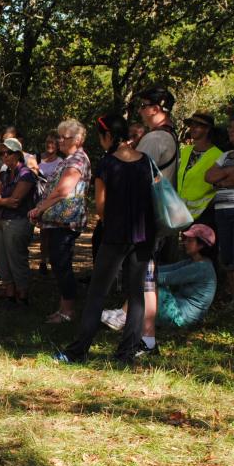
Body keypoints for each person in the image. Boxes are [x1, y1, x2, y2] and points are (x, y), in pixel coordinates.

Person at [56, 115, 156, 364]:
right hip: (144, 235)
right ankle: (126, 353)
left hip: (114, 235)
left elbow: (101, 208)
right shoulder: (146, 161)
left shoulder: (107, 164)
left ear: (108, 136)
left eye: (101, 137)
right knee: (136, 295)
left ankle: (78, 351)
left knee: (97, 293)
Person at [29, 119, 91, 323]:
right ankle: (64, 309)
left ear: (78, 139)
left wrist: (40, 208)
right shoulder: (70, 159)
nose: (60, 141)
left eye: (64, 137)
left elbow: (63, 191)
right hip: (58, 222)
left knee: (62, 264)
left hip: (65, 222)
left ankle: (68, 311)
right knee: (58, 263)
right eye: (60, 136)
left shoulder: (77, 161)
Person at [132, 84, 179, 353]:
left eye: (142, 105)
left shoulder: (154, 139)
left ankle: (145, 337)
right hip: (158, 217)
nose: (139, 111)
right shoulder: (170, 137)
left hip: (145, 217)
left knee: (144, 278)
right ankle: (145, 336)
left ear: (156, 108)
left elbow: (136, 175)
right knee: (148, 276)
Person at [0, 138, 36, 303]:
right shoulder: (4, 173)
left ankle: (22, 293)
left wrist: (0, 200)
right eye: (1, 154)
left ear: (17, 154)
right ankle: (9, 291)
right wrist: (3, 201)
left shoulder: (26, 174)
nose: (4, 156)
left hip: (17, 221)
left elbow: (16, 201)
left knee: (16, 257)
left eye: (7, 152)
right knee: (2, 258)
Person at [156, 224, 217, 328]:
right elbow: (167, 269)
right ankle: (128, 315)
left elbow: (164, 278)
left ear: (201, 245)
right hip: (180, 309)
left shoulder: (201, 267)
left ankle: (125, 317)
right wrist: (145, 270)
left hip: (182, 318)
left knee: (150, 286)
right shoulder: (194, 262)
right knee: (148, 283)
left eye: (190, 241)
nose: (185, 243)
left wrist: (140, 274)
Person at [205, 116, 234, 301]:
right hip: (221, 210)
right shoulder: (226, 155)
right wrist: (227, 173)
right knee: (227, 256)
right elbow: (209, 176)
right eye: (231, 128)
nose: (231, 131)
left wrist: (221, 180)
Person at [176, 112, 222, 227]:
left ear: (207, 130)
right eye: (191, 125)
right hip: (181, 214)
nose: (192, 128)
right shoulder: (185, 151)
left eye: (197, 125)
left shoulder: (218, 156)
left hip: (204, 217)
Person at [37, 132, 62, 274]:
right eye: (47, 142)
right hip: (39, 199)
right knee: (44, 232)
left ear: (58, 146)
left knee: (53, 232)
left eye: (53, 143)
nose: (49, 145)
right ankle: (42, 261)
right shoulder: (38, 158)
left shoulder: (60, 162)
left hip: (53, 200)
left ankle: (54, 260)